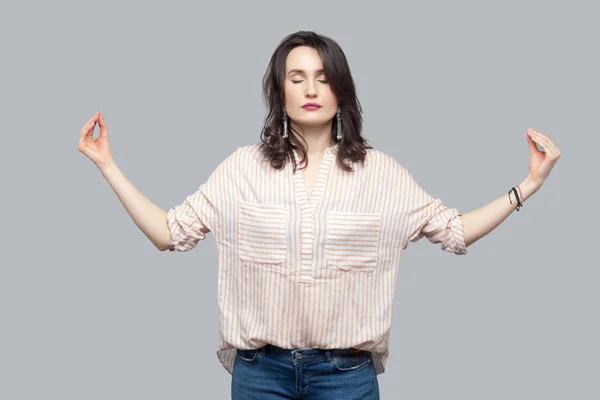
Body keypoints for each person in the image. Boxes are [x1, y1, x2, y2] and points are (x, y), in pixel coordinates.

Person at [78, 30, 561, 400]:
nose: (311, 88)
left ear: (341, 91)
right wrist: (107, 165)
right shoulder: (240, 169)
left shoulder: (382, 174)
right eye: (297, 77)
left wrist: (529, 186)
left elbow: (454, 231)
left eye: (324, 77)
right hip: (258, 375)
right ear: (279, 92)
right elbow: (170, 233)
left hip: (346, 379)